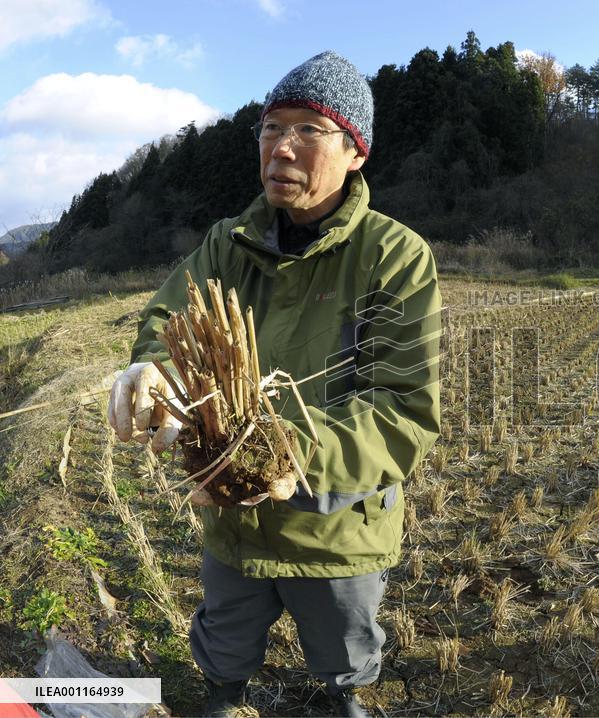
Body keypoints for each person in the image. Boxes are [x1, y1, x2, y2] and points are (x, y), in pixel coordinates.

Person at [106, 51, 441, 718]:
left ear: (355, 153)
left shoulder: (394, 257)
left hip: (337, 524)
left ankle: (342, 702)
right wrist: (153, 370)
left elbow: (402, 411)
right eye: (269, 127)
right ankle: (223, 697)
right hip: (232, 513)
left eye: (307, 130)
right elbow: (171, 316)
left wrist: (292, 453)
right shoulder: (227, 244)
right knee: (224, 636)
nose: (281, 147)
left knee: (345, 652)